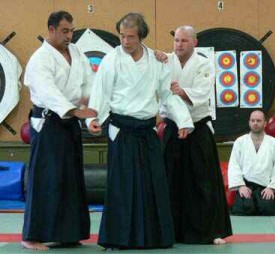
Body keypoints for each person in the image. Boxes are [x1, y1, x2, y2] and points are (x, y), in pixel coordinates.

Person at [87, 13, 194, 249]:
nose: (125, 42)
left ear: (141, 36)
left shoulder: (156, 61)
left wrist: (184, 120)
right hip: (121, 129)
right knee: (122, 184)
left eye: (131, 37)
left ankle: (154, 236)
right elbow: (100, 92)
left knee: (152, 183)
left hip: (146, 129)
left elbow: (167, 94)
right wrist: (93, 118)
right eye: (122, 36)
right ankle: (119, 237)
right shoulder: (111, 60)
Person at [21, 11, 97, 250]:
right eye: (64, 31)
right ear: (51, 29)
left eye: (71, 30)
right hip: (48, 123)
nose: (69, 35)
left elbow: (88, 85)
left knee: (71, 178)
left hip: (70, 123)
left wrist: (91, 113)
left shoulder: (76, 52)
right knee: (45, 178)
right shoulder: (40, 58)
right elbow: (47, 92)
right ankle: (31, 235)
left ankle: (69, 233)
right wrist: (74, 111)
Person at [159, 25, 232, 245]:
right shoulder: (165, 61)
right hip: (172, 128)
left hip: (198, 128)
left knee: (203, 181)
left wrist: (181, 91)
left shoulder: (205, 64)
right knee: (170, 180)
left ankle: (209, 230)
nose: (178, 45)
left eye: (183, 41)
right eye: (176, 40)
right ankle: (170, 231)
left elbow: (201, 93)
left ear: (194, 43)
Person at [228, 110, 275, 216]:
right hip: (246, 187)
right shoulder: (240, 142)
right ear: (249, 122)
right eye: (253, 120)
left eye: (259, 121)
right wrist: (240, 186)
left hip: (265, 187)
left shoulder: (274, 143)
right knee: (244, 209)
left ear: (265, 123)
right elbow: (234, 165)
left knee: (269, 209)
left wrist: (271, 188)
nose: (255, 123)